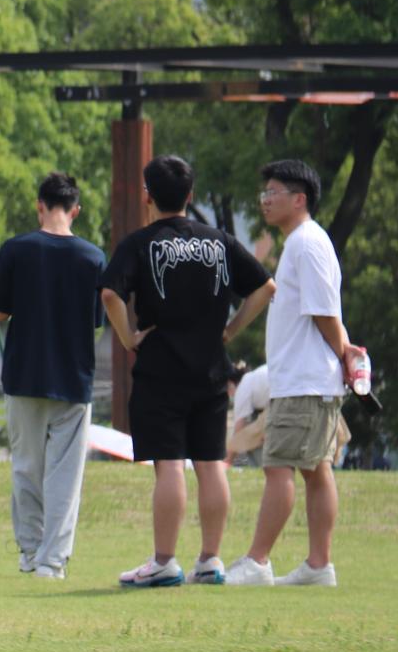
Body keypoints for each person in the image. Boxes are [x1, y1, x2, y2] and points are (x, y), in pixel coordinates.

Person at [100, 155, 274, 588]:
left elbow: (109, 294)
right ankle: (210, 560)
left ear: (147, 196)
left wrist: (128, 336)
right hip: (211, 371)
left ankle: (164, 562)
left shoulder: (140, 244)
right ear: (190, 195)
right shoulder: (219, 242)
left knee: (170, 465)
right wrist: (230, 329)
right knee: (211, 463)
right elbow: (264, 287)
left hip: (161, 370)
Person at [225, 159, 364, 588]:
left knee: (279, 467)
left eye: (274, 192)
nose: (265, 200)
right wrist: (344, 357)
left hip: (304, 381)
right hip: (306, 380)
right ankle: (318, 566)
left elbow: (324, 313)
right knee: (315, 470)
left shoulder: (306, 243)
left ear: (299, 199)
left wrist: (344, 354)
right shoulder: (302, 242)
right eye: (264, 192)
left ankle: (257, 561)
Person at [0, 171, 109, 580]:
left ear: (40, 205)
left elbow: (1, 312)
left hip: (24, 372)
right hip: (73, 375)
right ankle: (53, 561)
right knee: (65, 475)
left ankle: (30, 551)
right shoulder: (93, 257)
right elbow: (96, 320)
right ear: (76, 210)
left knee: (26, 467)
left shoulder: (15, 249)